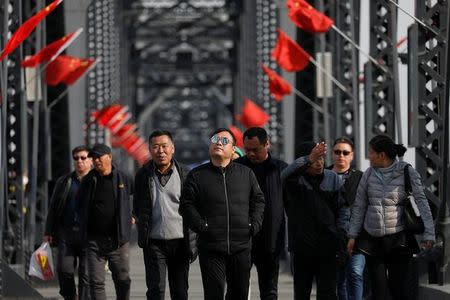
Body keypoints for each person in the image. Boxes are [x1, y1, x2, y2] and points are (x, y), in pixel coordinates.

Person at [180, 128, 265, 300]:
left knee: (239, 294)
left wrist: (253, 225)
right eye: (215, 139)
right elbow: (186, 205)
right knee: (214, 294)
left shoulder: (246, 174)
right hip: (211, 246)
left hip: (241, 245)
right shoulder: (197, 175)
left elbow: (258, 201)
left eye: (225, 141)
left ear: (233, 149)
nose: (219, 142)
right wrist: (201, 226)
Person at [347, 134, 435, 300]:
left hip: (398, 240)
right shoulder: (368, 174)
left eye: (371, 152)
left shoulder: (407, 171)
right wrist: (352, 236)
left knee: (398, 289)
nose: (368, 156)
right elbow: (359, 207)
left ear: (382, 155)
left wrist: (429, 233)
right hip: (372, 240)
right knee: (379, 291)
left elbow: (422, 203)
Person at [134, 130, 196, 300]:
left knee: (180, 291)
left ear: (173, 148)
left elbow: (195, 207)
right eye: (155, 147)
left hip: (180, 243)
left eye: (164, 146)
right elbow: (138, 205)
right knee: (155, 290)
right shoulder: (143, 174)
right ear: (150, 149)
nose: (160, 151)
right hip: (154, 242)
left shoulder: (186, 174)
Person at [281, 141, 345, 300]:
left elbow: (343, 209)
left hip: (328, 245)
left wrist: (342, 235)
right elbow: (284, 175)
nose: (319, 163)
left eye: (321, 158)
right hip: (302, 247)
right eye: (315, 159)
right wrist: (309, 158)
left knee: (328, 292)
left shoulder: (333, 178)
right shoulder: (294, 180)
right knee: (302, 292)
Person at [234, 127, 287, 300]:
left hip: (270, 240)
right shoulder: (236, 168)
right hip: (242, 239)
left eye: (255, 149)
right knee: (238, 289)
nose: (250, 153)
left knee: (270, 291)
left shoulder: (280, 170)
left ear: (267, 145)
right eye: (247, 149)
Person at [77, 144, 133, 300]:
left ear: (110, 156)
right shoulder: (89, 180)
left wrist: (134, 215)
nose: (96, 161)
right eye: (93, 158)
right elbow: (79, 203)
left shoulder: (124, 178)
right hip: (94, 240)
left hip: (118, 239)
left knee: (122, 279)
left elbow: (139, 197)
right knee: (96, 282)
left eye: (99, 157)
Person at [44, 146, 92, 300]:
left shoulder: (97, 180)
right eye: (76, 158)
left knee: (86, 273)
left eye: (83, 158)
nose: (79, 161)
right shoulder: (65, 181)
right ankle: (70, 296)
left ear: (90, 160)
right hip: (66, 233)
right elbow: (53, 207)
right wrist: (48, 232)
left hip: (89, 234)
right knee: (64, 270)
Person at [328, 137, 364, 300]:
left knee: (355, 273)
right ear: (332, 154)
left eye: (345, 152)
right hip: (332, 238)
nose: (340, 155)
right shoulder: (323, 176)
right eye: (337, 152)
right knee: (338, 280)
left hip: (356, 236)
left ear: (352, 155)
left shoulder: (361, 178)